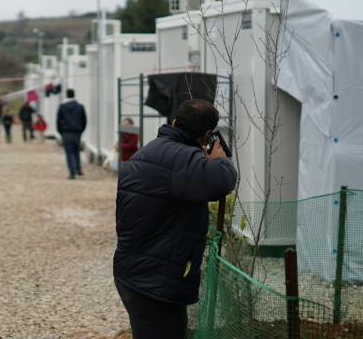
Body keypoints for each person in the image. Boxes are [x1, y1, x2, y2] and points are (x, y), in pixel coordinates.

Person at [113, 99, 237, 338]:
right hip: (156, 281)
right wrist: (220, 158)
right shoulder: (183, 160)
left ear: (174, 122)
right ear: (208, 134)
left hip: (131, 271)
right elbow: (222, 180)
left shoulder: (147, 152)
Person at [56, 89, 87, 179]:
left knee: (68, 153)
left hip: (66, 132)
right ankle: (78, 167)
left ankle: (72, 172)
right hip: (77, 132)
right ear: (74, 95)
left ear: (66, 95)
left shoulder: (62, 106)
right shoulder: (80, 107)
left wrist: (60, 132)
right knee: (76, 151)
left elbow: (58, 120)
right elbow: (84, 120)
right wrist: (81, 130)